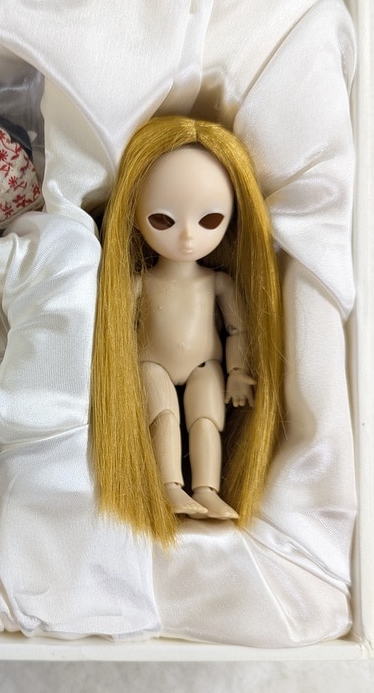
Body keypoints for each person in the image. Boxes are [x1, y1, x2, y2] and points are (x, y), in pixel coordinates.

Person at [90, 116, 283, 544]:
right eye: (164, 220)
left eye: (209, 220)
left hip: (205, 365)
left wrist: (238, 371)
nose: (188, 238)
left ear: (233, 218)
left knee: (206, 422)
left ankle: (207, 490)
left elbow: (238, 330)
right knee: (163, 417)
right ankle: (169, 485)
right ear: (133, 213)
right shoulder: (138, 284)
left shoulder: (218, 282)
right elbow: (116, 332)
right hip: (151, 364)